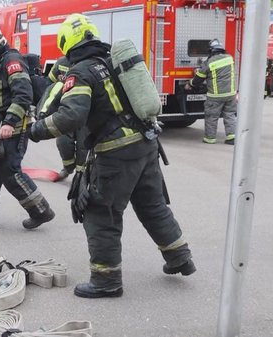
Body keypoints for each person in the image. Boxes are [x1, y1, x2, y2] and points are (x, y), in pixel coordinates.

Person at [29, 14, 195, 298]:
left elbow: (71, 116)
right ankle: (180, 257)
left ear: (66, 44)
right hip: (146, 145)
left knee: (99, 212)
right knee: (152, 206)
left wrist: (37, 129)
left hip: (116, 154)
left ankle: (106, 281)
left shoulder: (80, 72)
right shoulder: (113, 63)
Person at [0, 22, 55, 229]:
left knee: (10, 173)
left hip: (13, 129)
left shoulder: (12, 61)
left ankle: (41, 211)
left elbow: (23, 95)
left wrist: (9, 122)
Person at [185, 38, 237, 145]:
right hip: (231, 94)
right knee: (230, 115)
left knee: (211, 117)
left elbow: (199, 78)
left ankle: (210, 138)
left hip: (215, 96)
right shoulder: (229, 58)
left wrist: (190, 84)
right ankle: (231, 137)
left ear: (211, 51)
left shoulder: (209, 62)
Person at [47, 55, 88, 182]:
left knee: (83, 145)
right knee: (62, 142)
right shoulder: (61, 62)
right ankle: (68, 167)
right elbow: (50, 83)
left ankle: (81, 175)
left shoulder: (88, 63)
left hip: (85, 112)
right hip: (65, 111)